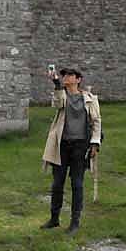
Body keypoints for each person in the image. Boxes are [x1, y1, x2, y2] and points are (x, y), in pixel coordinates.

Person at [41, 65, 101, 235]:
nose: (66, 77)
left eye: (70, 75)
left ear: (78, 79)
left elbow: (96, 121)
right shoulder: (62, 95)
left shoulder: (90, 99)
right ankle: (54, 219)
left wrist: (95, 143)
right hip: (61, 145)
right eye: (64, 75)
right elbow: (57, 103)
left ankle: (75, 223)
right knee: (57, 183)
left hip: (80, 146)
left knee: (77, 184)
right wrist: (56, 83)